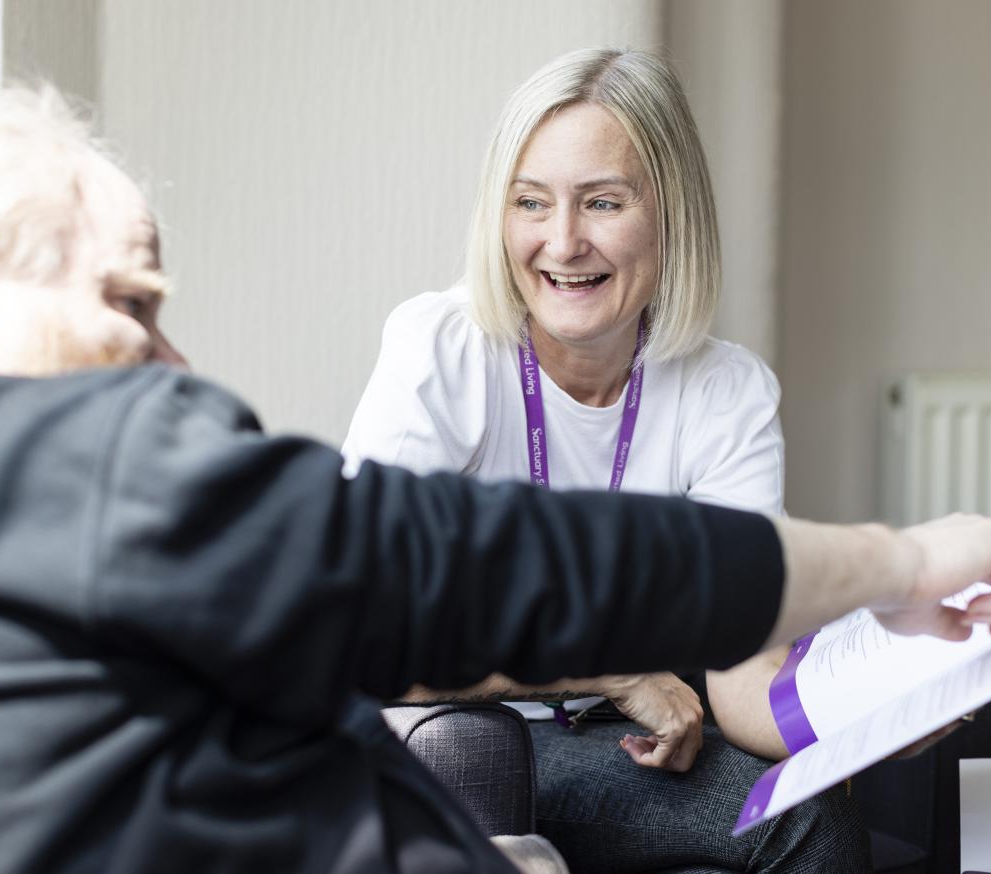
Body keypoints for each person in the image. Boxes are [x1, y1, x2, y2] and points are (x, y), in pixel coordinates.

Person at [0, 89, 991, 874]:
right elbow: (443, 564)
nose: (175, 368)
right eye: (130, 304)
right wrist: (898, 563)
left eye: (603, 203)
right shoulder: (66, 455)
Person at [342, 47, 846, 871]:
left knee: (810, 819)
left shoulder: (727, 391)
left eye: (603, 202)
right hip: (462, 739)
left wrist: (877, 714)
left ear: (670, 213)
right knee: (473, 757)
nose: (563, 242)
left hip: (625, 749)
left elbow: (744, 670)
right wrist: (607, 667)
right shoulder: (442, 350)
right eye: (531, 203)